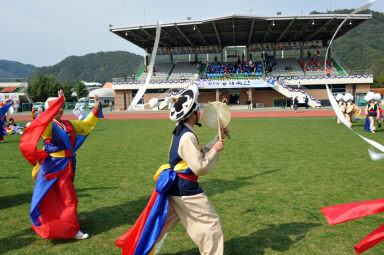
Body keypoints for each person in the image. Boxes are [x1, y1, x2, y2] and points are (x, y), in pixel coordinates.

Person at [115, 85, 229, 255]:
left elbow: (199, 153)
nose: (200, 113)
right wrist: (216, 150)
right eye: (198, 109)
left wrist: (216, 140)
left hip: (176, 186)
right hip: (185, 188)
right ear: (192, 115)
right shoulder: (187, 136)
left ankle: (137, 250)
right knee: (210, 223)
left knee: (159, 225)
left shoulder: (183, 131)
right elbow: (200, 167)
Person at [19, 90, 103, 240]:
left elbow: (84, 125)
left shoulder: (67, 124)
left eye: (62, 106)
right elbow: (43, 121)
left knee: (60, 198)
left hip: (66, 165)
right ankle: (70, 229)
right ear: (51, 110)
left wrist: (95, 109)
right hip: (53, 167)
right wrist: (55, 104)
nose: (61, 109)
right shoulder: (48, 126)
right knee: (67, 198)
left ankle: (58, 224)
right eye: (57, 107)